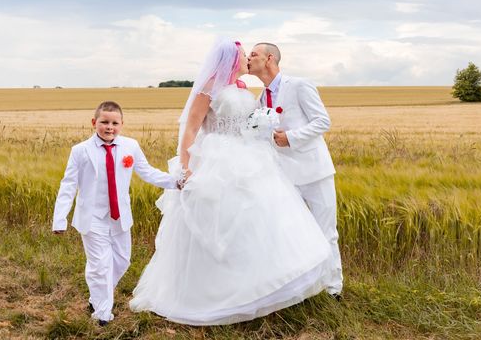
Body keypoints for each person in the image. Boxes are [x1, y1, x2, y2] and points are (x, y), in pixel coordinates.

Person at [129, 39, 332, 325]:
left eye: (250, 55)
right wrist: (186, 168)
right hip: (218, 160)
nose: (246, 58)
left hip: (250, 158)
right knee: (221, 225)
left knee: (258, 223)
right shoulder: (209, 86)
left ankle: (260, 288)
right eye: (242, 55)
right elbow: (191, 129)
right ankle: (212, 294)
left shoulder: (242, 88)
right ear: (228, 59)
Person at [52, 101, 179, 326]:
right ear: (94, 123)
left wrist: (175, 182)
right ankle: (102, 314)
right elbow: (68, 185)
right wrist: (60, 218)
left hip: (120, 216)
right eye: (104, 122)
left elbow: (147, 172)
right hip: (92, 218)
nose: (109, 127)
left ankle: (96, 296)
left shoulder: (130, 146)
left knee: (121, 261)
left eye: (114, 123)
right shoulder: (80, 151)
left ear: (121, 124)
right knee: (100, 265)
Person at [248, 42, 343, 297]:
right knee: (295, 234)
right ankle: (304, 289)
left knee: (326, 231)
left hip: (315, 171)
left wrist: (291, 137)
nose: (248, 58)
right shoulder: (260, 99)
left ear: (269, 59)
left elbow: (323, 121)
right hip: (284, 177)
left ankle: (333, 289)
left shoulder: (299, 85)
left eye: (253, 54)